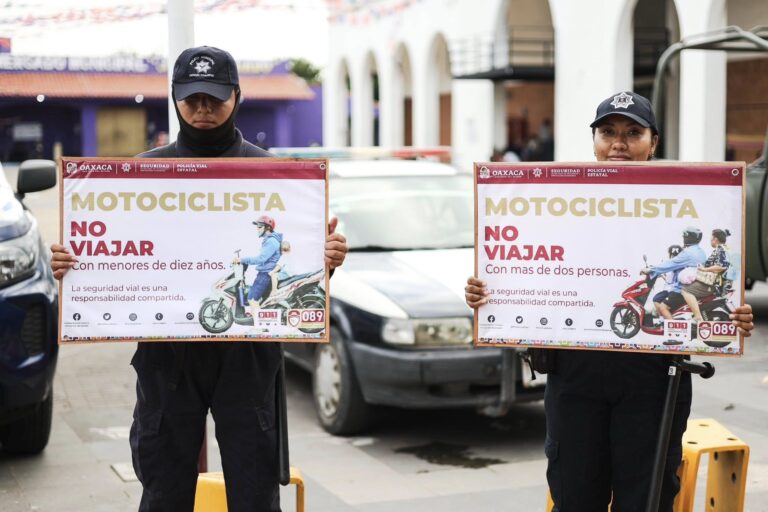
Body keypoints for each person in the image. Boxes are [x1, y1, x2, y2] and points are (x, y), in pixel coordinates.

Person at [50, 46, 349, 512]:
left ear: (237, 96)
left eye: (214, 97)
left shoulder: (277, 176)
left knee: (254, 493)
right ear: (174, 98)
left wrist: (325, 259)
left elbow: (297, 265)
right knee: (164, 491)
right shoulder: (139, 175)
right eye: (192, 98)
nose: (203, 108)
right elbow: (113, 252)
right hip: (167, 358)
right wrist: (74, 265)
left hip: (248, 357)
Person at [464, 91, 754, 512]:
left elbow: (719, 283)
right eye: (608, 132)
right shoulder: (555, 203)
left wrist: (735, 316)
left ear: (653, 143)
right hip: (574, 374)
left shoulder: (688, 202)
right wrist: (488, 295)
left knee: (647, 498)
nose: (619, 143)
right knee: (575, 495)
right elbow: (522, 267)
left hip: (653, 377)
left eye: (633, 133)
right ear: (595, 141)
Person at [643, 228, 707, 321]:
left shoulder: (688, 253)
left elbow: (670, 264)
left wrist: (650, 270)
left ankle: (672, 327)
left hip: (681, 289)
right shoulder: (701, 252)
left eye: (685, 237)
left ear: (689, 238)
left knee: (662, 308)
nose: (683, 238)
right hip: (695, 286)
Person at [233, 216, 283, 330]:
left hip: (265, 274)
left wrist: (242, 260)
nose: (257, 229)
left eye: (259, 226)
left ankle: (259, 328)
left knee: (252, 299)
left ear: (268, 228)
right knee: (256, 299)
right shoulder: (270, 240)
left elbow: (261, 259)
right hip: (265, 273)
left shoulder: (271, 241)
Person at [681, 229, 731, 321]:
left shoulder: (721, 249)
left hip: (713, 285)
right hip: (714, 283)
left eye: (711, 238)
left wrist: (704, 269)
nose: (710, 240)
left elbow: (722, 266)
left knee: (685, 290)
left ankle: (697, 316)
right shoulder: (723, 249)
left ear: (715, 239)